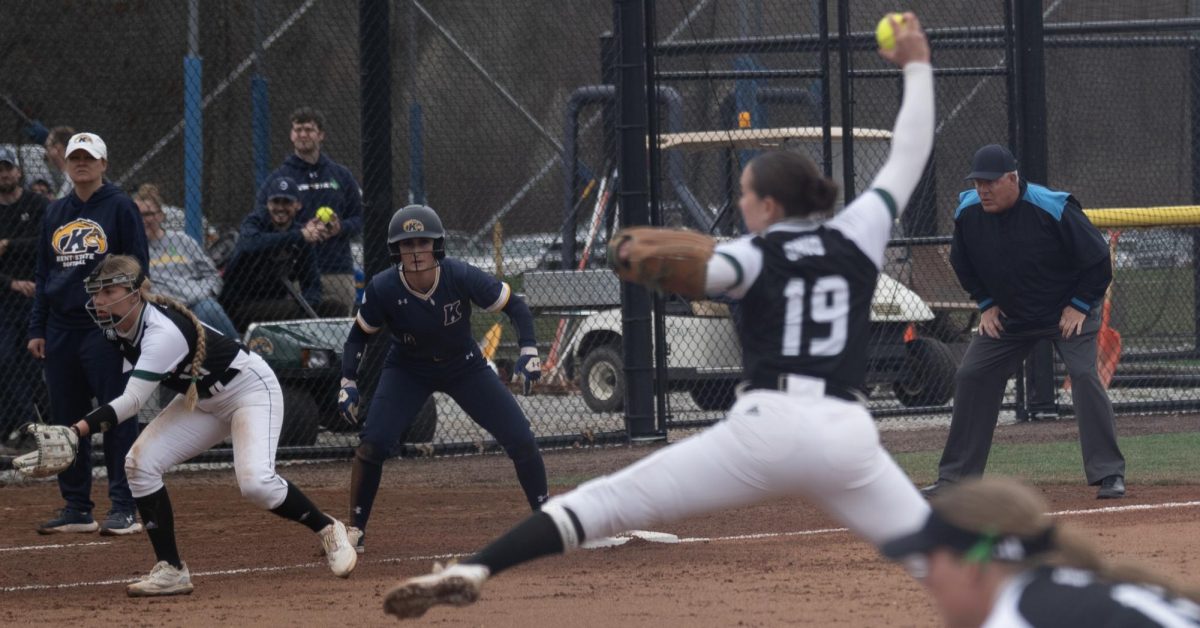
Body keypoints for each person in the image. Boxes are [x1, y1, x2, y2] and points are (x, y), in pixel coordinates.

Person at [381, 13, 935, 619]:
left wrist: (653, 259)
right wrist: (917, 63)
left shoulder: (751, 254)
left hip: (767, 427)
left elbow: (701, 271)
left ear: (770, 206)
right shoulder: (860, 232)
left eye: (747, 195)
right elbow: (909, 151)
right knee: (937, 554)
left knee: (613, 501)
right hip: (844, 433)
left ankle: (477, 568)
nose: (741, 204)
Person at [65, 255, 357, 596]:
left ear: (133, 295)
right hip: (201, 400)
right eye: (96, 293)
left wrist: (75, 431)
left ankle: (328, 529)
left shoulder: (161, 332)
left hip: (249, 390)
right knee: (140, 463)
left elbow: (131, 403)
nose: (98, 301)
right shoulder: (119, 328)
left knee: (256, 485)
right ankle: (172, 570)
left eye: (107, 291)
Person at [338, 203, 549, 555]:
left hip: (463, 365)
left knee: (520, 437)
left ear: (437, 246)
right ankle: (356, 529)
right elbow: (359, 335)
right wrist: (347, 382)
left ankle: (545, 519)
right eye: (407, 244)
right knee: (372, 443)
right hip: (407, 369)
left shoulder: (460, 275)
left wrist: (529, 350)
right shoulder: (383, 287)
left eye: (423, 242)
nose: (416, 251)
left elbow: (516, 305)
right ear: (396, 250)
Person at [920, 144, 1126, 501]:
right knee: (972, 374)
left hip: (1068, 312)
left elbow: (1097, 261)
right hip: (1012, 316)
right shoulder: (969, 211)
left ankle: (1109, 474)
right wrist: (986, 304)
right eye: (977, 182)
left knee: (1083, 374)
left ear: (1013, 179)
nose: (982, 189)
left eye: (990, 182)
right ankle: (955, 479)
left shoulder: (1052, 207)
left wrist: (1078, 305)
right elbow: (962, 262)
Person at [28, 132, 149, 535]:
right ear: (66, 164)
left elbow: (137, 267)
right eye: (75, 157)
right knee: (68, 418)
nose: (81, 163)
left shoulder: (119, 207)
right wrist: (38, 327)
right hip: (61, 329)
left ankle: (124, 506)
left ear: (103, 164)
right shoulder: (55, 211)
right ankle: (77, 506)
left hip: (105, 328)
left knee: (116, 415)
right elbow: (45, 274)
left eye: (89, 157)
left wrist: (127, 322)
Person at [882, 476, 1200, 627]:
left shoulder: (1020, 618)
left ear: (972, 565)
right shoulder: (1071, 591)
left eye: (930, 560)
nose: (927, 579)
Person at [256, 107, 363, 314]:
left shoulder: (341, 175)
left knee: (338, 335)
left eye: (308, 129)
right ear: (291, 135)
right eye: (298, 129)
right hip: (296, 274)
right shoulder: (279, 179)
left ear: (320, 135)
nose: (303, 134)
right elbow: (262, 220)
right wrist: (301, 232)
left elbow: (359, 219)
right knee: (302, 336)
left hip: (337, 271)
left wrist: (339, 227)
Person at [220, 175, 340, 332]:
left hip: (277, 303)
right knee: (293, 310)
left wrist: (310, 304)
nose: (280, 207)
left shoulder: (301, 235)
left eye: (287, 202)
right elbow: (249, 244)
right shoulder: (256, 221)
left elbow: (312, 283)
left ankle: (324, 355)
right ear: (268, 204)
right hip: (240, 305)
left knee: (336, 307)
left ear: (298, 205)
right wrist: (300, 235)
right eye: (276, 202)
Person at [135, 184, 239, 339]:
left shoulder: (183, 240)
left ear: (161, 215)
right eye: (138, 214)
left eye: (148, 214)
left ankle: (240, 352)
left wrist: (201, 295)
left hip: (196, 303)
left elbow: (212, 276)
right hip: (162, 307)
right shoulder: (133, 248)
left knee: (209, 308)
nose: (143, 220)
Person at [0, 147, 48, 451]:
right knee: (5, 360)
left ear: (18, 171)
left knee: (33, 363)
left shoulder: (37, 204)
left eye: (8, 168)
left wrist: (8, 244)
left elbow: (46, 243)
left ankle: (38, 425)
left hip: (37, 294)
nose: (4, 174)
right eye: (0, 170)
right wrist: (11, 283)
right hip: (4, 298)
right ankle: (25, 423)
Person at [42, 125, 76, 200]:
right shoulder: (63, 177)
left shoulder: (72, 179)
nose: (46, 152)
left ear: (57, 148)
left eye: (47, 146)